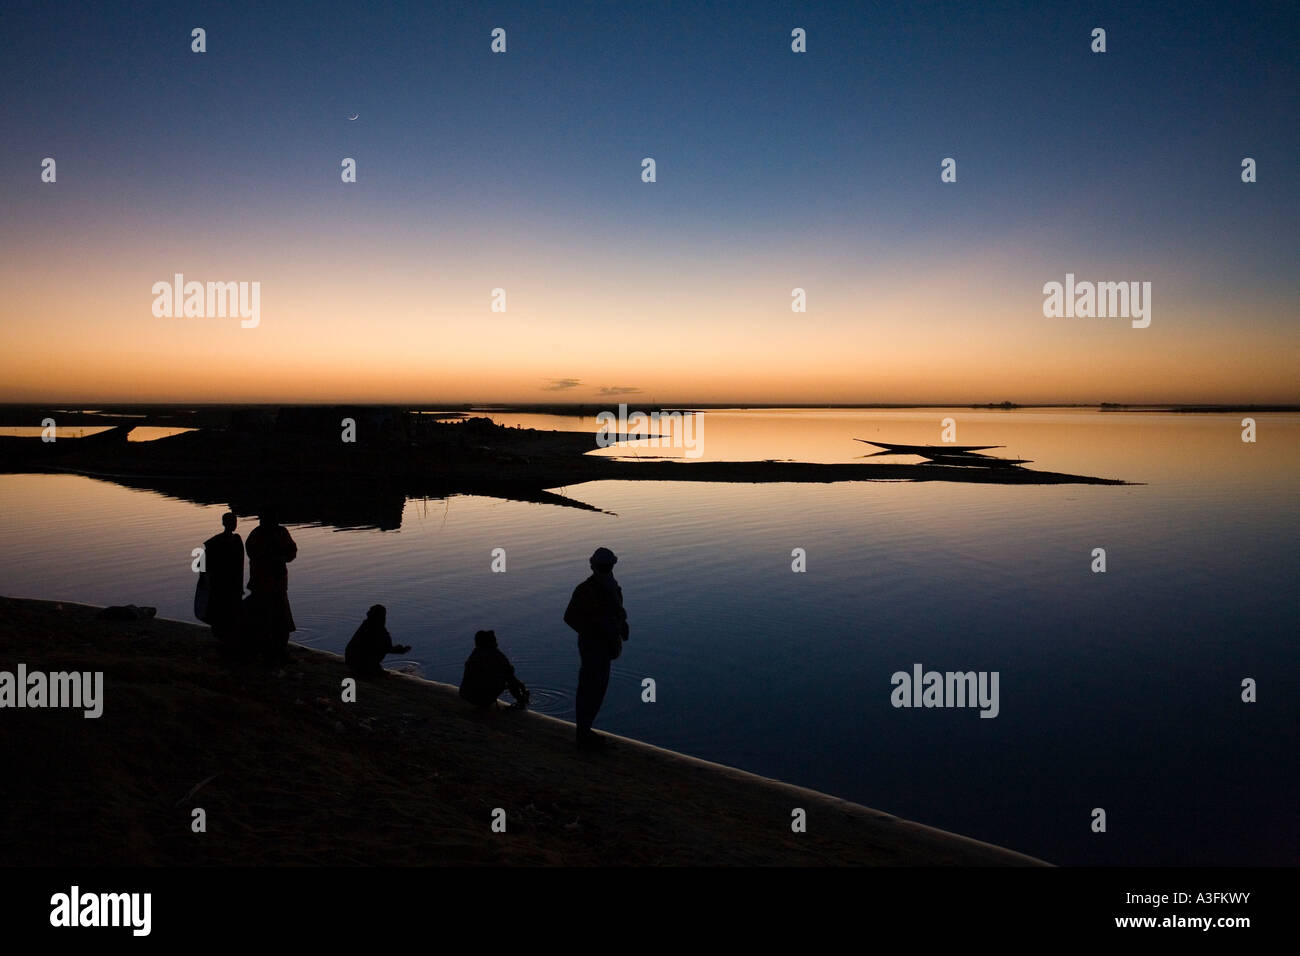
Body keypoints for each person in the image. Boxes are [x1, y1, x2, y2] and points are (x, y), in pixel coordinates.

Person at [563, 547, 628, 749]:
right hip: (593, 647)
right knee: (590, 689)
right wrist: (594, 631)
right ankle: (583, 734)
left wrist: (620, 627)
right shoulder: (586, 589)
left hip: (605, 646)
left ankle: (585, 730)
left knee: (596, 689)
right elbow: (570, 618)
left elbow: (618, 614)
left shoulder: (613, 588)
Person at [243, 509, 298, 661]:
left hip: (277, 584)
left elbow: (292, 552)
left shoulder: (280, 532)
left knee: (280, 618)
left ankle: (277, 648)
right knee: (266, 617)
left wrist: (281, 556)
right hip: (263, 584)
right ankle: (266, 648)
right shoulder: (257, 535)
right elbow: (254, 554)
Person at [200, 512, 245, 647]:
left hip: (231, 585)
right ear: (225, 523)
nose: (234, 524)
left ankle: (227, 639)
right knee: (223, 612)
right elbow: (202, 564)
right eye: (232, 522)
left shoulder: (235, 540)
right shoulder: (217, 542)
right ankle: (224, 639)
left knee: (229, 613)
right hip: (221, 584)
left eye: (235, 521)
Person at [458, 630, 529, 710]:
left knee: (503, 675)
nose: (497, 642)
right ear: (491, 642)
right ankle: (521, 701)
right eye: (494, 640)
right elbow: (510, 677)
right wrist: (520, 685)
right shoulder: (498, 656)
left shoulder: (475, 653)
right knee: (508, 676)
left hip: (465, 695)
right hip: (482, 698)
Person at [344, 604, 411, 677]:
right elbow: (386, 648)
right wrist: (401, 650)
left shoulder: (365, 625)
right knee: (376, 650)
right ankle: (371, 669)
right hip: (360, 663)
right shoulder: (380, 631)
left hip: (350, 661)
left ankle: (370, 667)